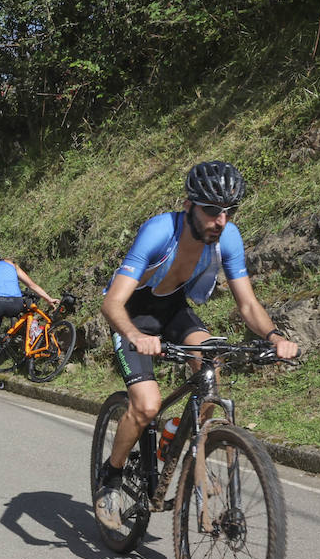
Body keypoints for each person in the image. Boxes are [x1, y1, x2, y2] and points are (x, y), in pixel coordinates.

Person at [95, 160, 299, 529]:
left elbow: (248, 304)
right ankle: (110, 478)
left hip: (173, 310)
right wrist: (136, 336)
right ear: (189, 205)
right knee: (146, 405)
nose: (220, 221)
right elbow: (111, 302)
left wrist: (274, 337)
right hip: (132, 313)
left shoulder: (228, 239)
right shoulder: (159, 231)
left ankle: (181, 440)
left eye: (229, 212)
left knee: (211, 362)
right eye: (212, 211)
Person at [0, 248, 58, 389]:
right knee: (25, 309)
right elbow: (31, 285)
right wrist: (48, 298)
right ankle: (28, 342)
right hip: (16, 303)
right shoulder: (12, 264)